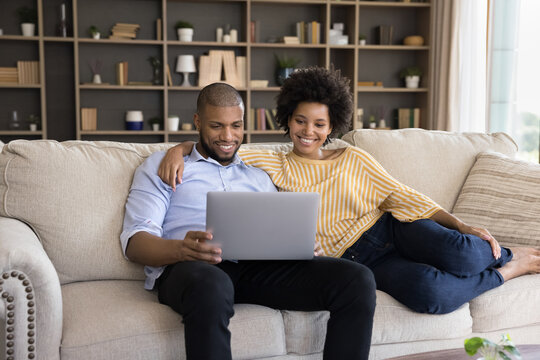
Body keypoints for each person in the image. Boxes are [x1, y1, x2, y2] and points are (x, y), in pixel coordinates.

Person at [159, 67, 540, 315]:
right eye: (300, 121)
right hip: (359, 261)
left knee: (462, 253)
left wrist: (461, 224)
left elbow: (402, 195)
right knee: (431, 296)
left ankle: (509, 252)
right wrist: (179, 149)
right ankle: (510, 270)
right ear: (287, 120)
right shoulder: (270, 161)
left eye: (319, 124)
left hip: (392, 229)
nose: (309, 131)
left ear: (332, 126)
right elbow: (223, 146)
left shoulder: (352, 157)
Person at [121, 82, 377, 360]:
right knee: (212, 286)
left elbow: (275, 227)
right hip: (190, 270)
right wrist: (182, 250)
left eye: (236, 126)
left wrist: (296, 243)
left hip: (255, 270)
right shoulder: (164, 166)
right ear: (197, 122)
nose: (228, 136)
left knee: (356, 279)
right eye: (216, 126)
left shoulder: (258, 173)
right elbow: (136, 243)